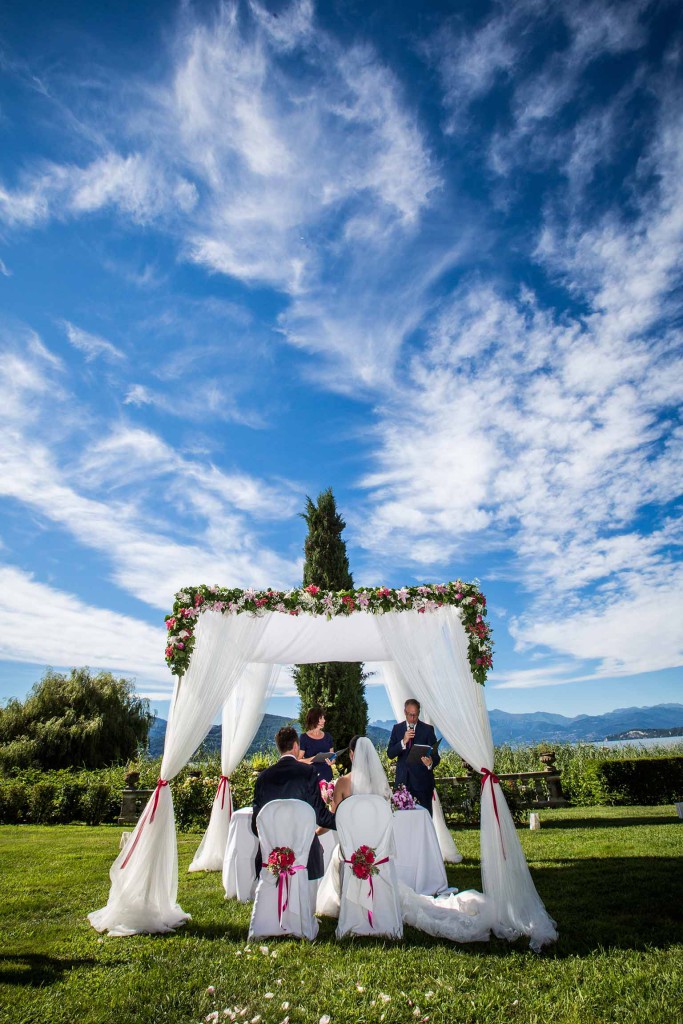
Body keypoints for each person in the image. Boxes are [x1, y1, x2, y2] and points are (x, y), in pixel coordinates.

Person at [316, 735, 494, 943]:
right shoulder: (381, 787)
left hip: (351, 853)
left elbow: (335, 817)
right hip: (377, 853)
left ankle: (347, 905)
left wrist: (318, 829)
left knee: (338, 854)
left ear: (353, 754)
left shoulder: (343, 783)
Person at [251, 725, 336, 881]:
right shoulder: (307, 772)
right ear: (296, 746)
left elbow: (255, 825)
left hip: (272, 856)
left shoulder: (263, 777)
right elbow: (320, 817)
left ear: (279, 747)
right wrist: (344, 819)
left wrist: (276, 842)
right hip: (304, 856)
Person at [387, 699, 440, 816]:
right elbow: (390, 754)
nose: (413, 718)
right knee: (403, 822)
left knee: (423, 822)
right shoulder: (397, 729)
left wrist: (430, 762)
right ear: (405, 712)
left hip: (422, 785)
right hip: (402, 784)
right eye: (410, 715)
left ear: (419, 713)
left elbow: (436, 757)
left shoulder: (427, 730)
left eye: (415, 715)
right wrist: (403, 741)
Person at [299, 706, 335, 783]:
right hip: (311, 777)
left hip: (327, 776)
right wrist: (313, 759)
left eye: (324, 718)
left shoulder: (328, 736)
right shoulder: (304, 738)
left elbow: (333, 756)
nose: (324, 720)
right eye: (321, 718)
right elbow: (298, 760)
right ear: (314, 719)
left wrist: (332, 761)